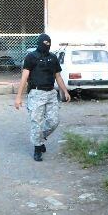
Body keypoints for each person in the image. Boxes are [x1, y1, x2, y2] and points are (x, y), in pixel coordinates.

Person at [14, 33, 71, 161]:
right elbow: (24, 77)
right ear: (39, 43)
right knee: (36, 123)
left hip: (51, 94)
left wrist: (65, 92)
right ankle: (37, 148)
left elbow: (58, 76)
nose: (47, 45)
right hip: (36, 94)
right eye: (45, 43)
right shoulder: (31, 57)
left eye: (48, 43)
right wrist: (18, 97)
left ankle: (39, 139)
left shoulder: (53, 58)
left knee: (53, 122)